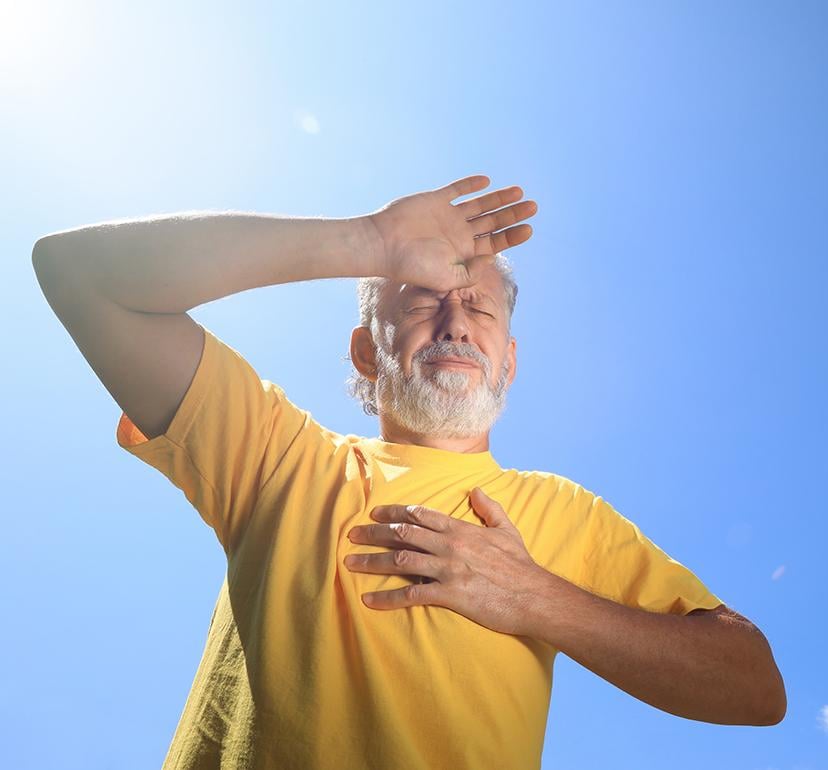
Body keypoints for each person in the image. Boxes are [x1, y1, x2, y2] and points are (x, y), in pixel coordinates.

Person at [32, 175, 785, 769]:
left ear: (509, 362)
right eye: (422, 298)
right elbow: (77, 271)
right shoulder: (278, 458)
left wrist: (536, 598)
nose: (456, 320)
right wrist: (369, 239)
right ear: (366, 351)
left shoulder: (567, 513)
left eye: (480, 310)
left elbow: (755, 684)